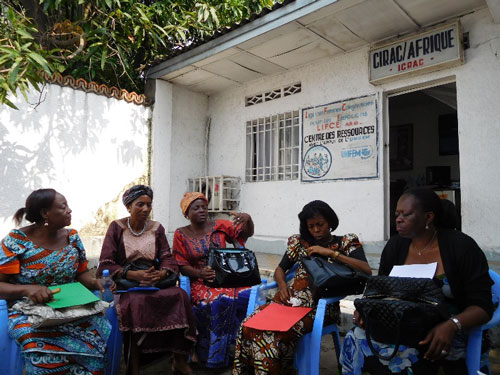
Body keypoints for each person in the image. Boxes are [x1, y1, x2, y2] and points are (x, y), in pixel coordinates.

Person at [340, 188, 494, 375]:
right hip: (401, 323)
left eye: (406, 214)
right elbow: (379, 292)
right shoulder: (396, 246)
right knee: (354, 337)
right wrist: (365, 310)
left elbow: (483, 306)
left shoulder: (461, 246)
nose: (398, 219)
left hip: (449, 326)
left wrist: (452, 325)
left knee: (407, 354)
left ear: (428, 217)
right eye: (397, 214)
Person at [233, 200, 371, 375]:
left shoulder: (345, 242)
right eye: (311, 226)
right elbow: (280, 269)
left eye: (320, 225)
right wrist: (282, 286)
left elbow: (365, 269)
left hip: (321, 307)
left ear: (330, 222)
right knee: (248, 324)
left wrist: (331, 253)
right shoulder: (300, 243)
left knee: (271, 335)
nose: (316, 230)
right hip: (288, 301)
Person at [0, 188, 111, 375]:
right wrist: (27, 290)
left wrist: (95, 283)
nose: (70, 210)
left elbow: (81, 274)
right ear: (45, 213)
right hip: (29, 312)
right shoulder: (16, 241)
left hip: (71, 309)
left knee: (98, 329)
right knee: (37, 343)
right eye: (63, 206)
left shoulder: (73, 237)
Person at [97, 185, 196, 375]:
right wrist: (132, 274)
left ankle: (179, 359)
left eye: (148, 205)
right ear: (128, 207)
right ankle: (134, 366)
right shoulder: (116, 228)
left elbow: (167, 257)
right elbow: (106, 263)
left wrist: (163, 273)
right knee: (136, 303)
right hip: (128, 282)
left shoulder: (156, 228)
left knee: (180, 296)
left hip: (154, 279)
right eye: (139, 204)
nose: (145, 209)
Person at [172, 192, 255, 369]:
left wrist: (247, 219)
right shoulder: (181, 234)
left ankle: (242, 350)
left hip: (229, 278)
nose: (202, 210)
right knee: (218, 301)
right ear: (187, 213)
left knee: (250, 296)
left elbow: (246, 233)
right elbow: (180, 264)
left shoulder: (220, 225)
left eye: (204, 207)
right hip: (201, 281)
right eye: (196, 208)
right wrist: (200, 273)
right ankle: (214, 357)